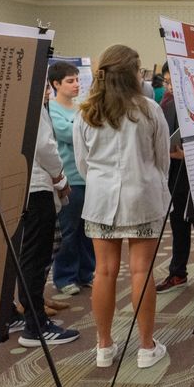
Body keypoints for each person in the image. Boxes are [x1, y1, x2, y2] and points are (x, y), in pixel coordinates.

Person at [74, 44, 171, 369]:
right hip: (142, 198)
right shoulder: (148, 109)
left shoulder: (86, 111)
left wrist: (102, 183)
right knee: (141, 271)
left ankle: (104, 346)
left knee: (103, 271)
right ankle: (146, 347)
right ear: (134, 73)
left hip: (100, 202)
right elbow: (162, 158)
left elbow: (82, 163)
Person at [8, 86, 79, 347]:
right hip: (35, 186)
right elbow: (43, 145)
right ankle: (35, 325)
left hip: (13, 184)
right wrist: (60, 177)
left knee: (15, 256)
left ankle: (10, 315)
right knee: (34, 257)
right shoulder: (28, 93)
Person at [154, 63, 194, 298]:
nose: (169, 87)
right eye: (167, 82)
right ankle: (177, 272)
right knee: (178, 224)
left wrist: (188, 154)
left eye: (173, 82)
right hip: (174, 174)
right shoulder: (166, 102)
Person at [48, 61, 96, 296]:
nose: (76, 85)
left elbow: (91, 132)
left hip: (88, 178)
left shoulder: (80, 108)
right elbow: (68, 134)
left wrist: (79, 126)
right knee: (68, 231)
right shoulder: (51, 110)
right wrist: (80, 127)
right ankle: (65, 276)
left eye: (77, 80)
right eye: (70, 81)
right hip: (68, 180)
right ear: (55, 84)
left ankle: (86, 273)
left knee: (88, 230)